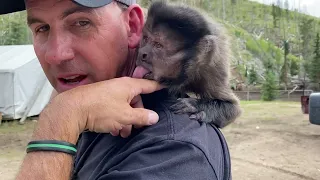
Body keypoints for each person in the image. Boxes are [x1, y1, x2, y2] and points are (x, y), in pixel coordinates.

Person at [1, 0, 232, 179]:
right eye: (42, 28)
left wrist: (59, 118)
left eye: (82, 22)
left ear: (132, 26)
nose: (55, 55)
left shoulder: (174, 152)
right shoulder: (93, 107)